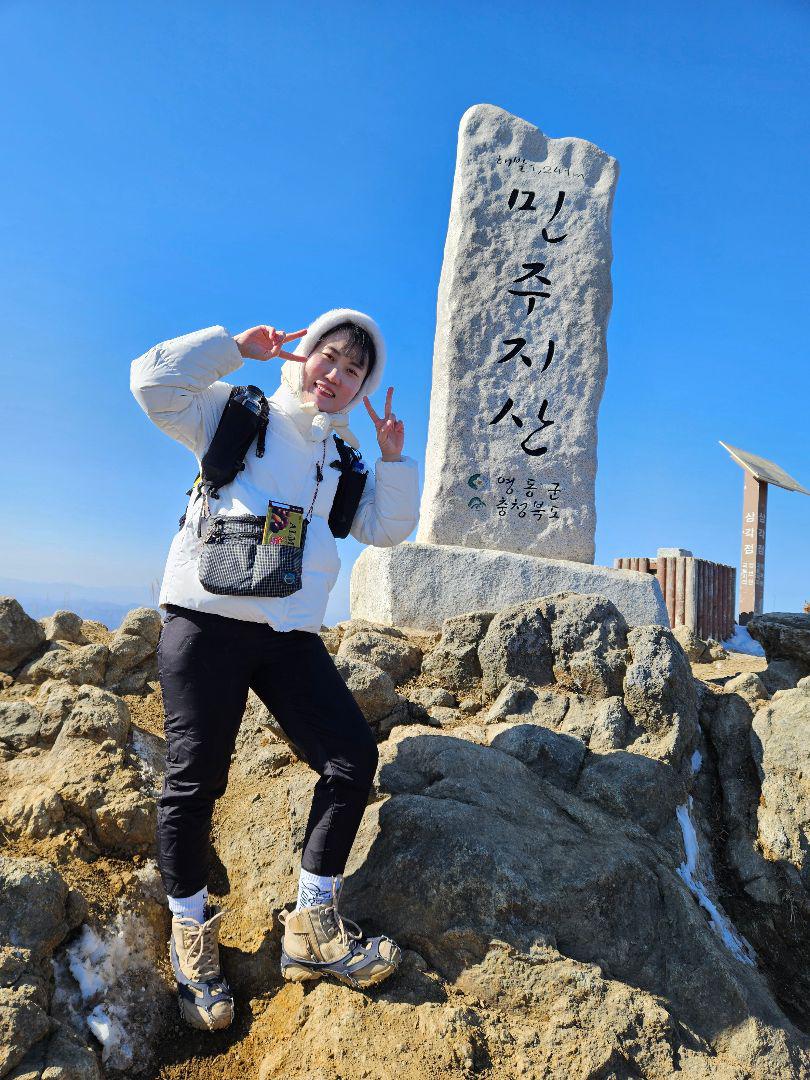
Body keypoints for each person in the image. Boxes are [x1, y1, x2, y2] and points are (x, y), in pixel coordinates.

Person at [129, 311, 420, 1030]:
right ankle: (191, 934)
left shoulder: (344, 456)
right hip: (206, 620)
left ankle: (312, 923)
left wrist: (391, 461)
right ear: (304, 354)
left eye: (354, 370)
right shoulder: (237, 411)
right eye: (330, 357)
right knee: (196, 780)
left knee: (352, 758)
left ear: (363, 387)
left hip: (289, 634)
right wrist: (233, 349)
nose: (336, 375)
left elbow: (385, 529)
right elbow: (152, 385)